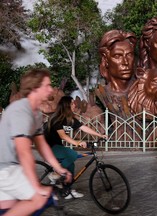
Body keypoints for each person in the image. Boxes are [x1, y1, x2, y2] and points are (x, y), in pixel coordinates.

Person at [0, 68, 71, 216]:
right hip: (6, 169)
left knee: (10, 209)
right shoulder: (21, 110)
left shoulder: (36, 114)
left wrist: (58, 168)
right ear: (34, 88)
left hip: (8, 168)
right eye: (47, 85)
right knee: (39, 198)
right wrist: (36, 187)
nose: (51, 89)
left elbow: (41, 145)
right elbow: (24, 152)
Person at [44, 96, 107, 199]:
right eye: (72, 103)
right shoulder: (57, 118)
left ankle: (66, 190)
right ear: (67, 105)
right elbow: (63, 136)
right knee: (72, 154)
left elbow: (84, 128)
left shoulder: (70, 119)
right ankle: (55, 174)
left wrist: (100, 135)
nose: (75, 105)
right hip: (48, 147)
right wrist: (78, 143)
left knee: (71, 165)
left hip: (57, 146)